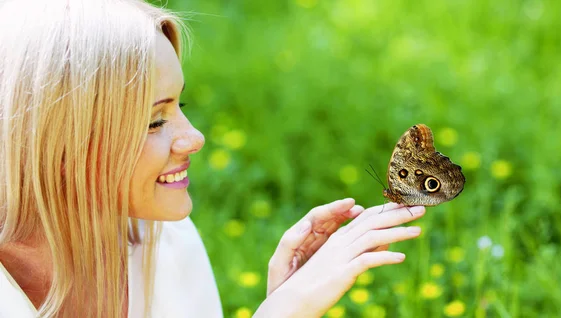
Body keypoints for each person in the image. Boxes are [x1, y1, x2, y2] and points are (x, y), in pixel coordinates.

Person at [0, 0, 426, 317]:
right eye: (153, 122)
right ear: (54, 144)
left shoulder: (167, 244)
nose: (194, 138)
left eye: (179, 106)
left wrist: (283, 300)